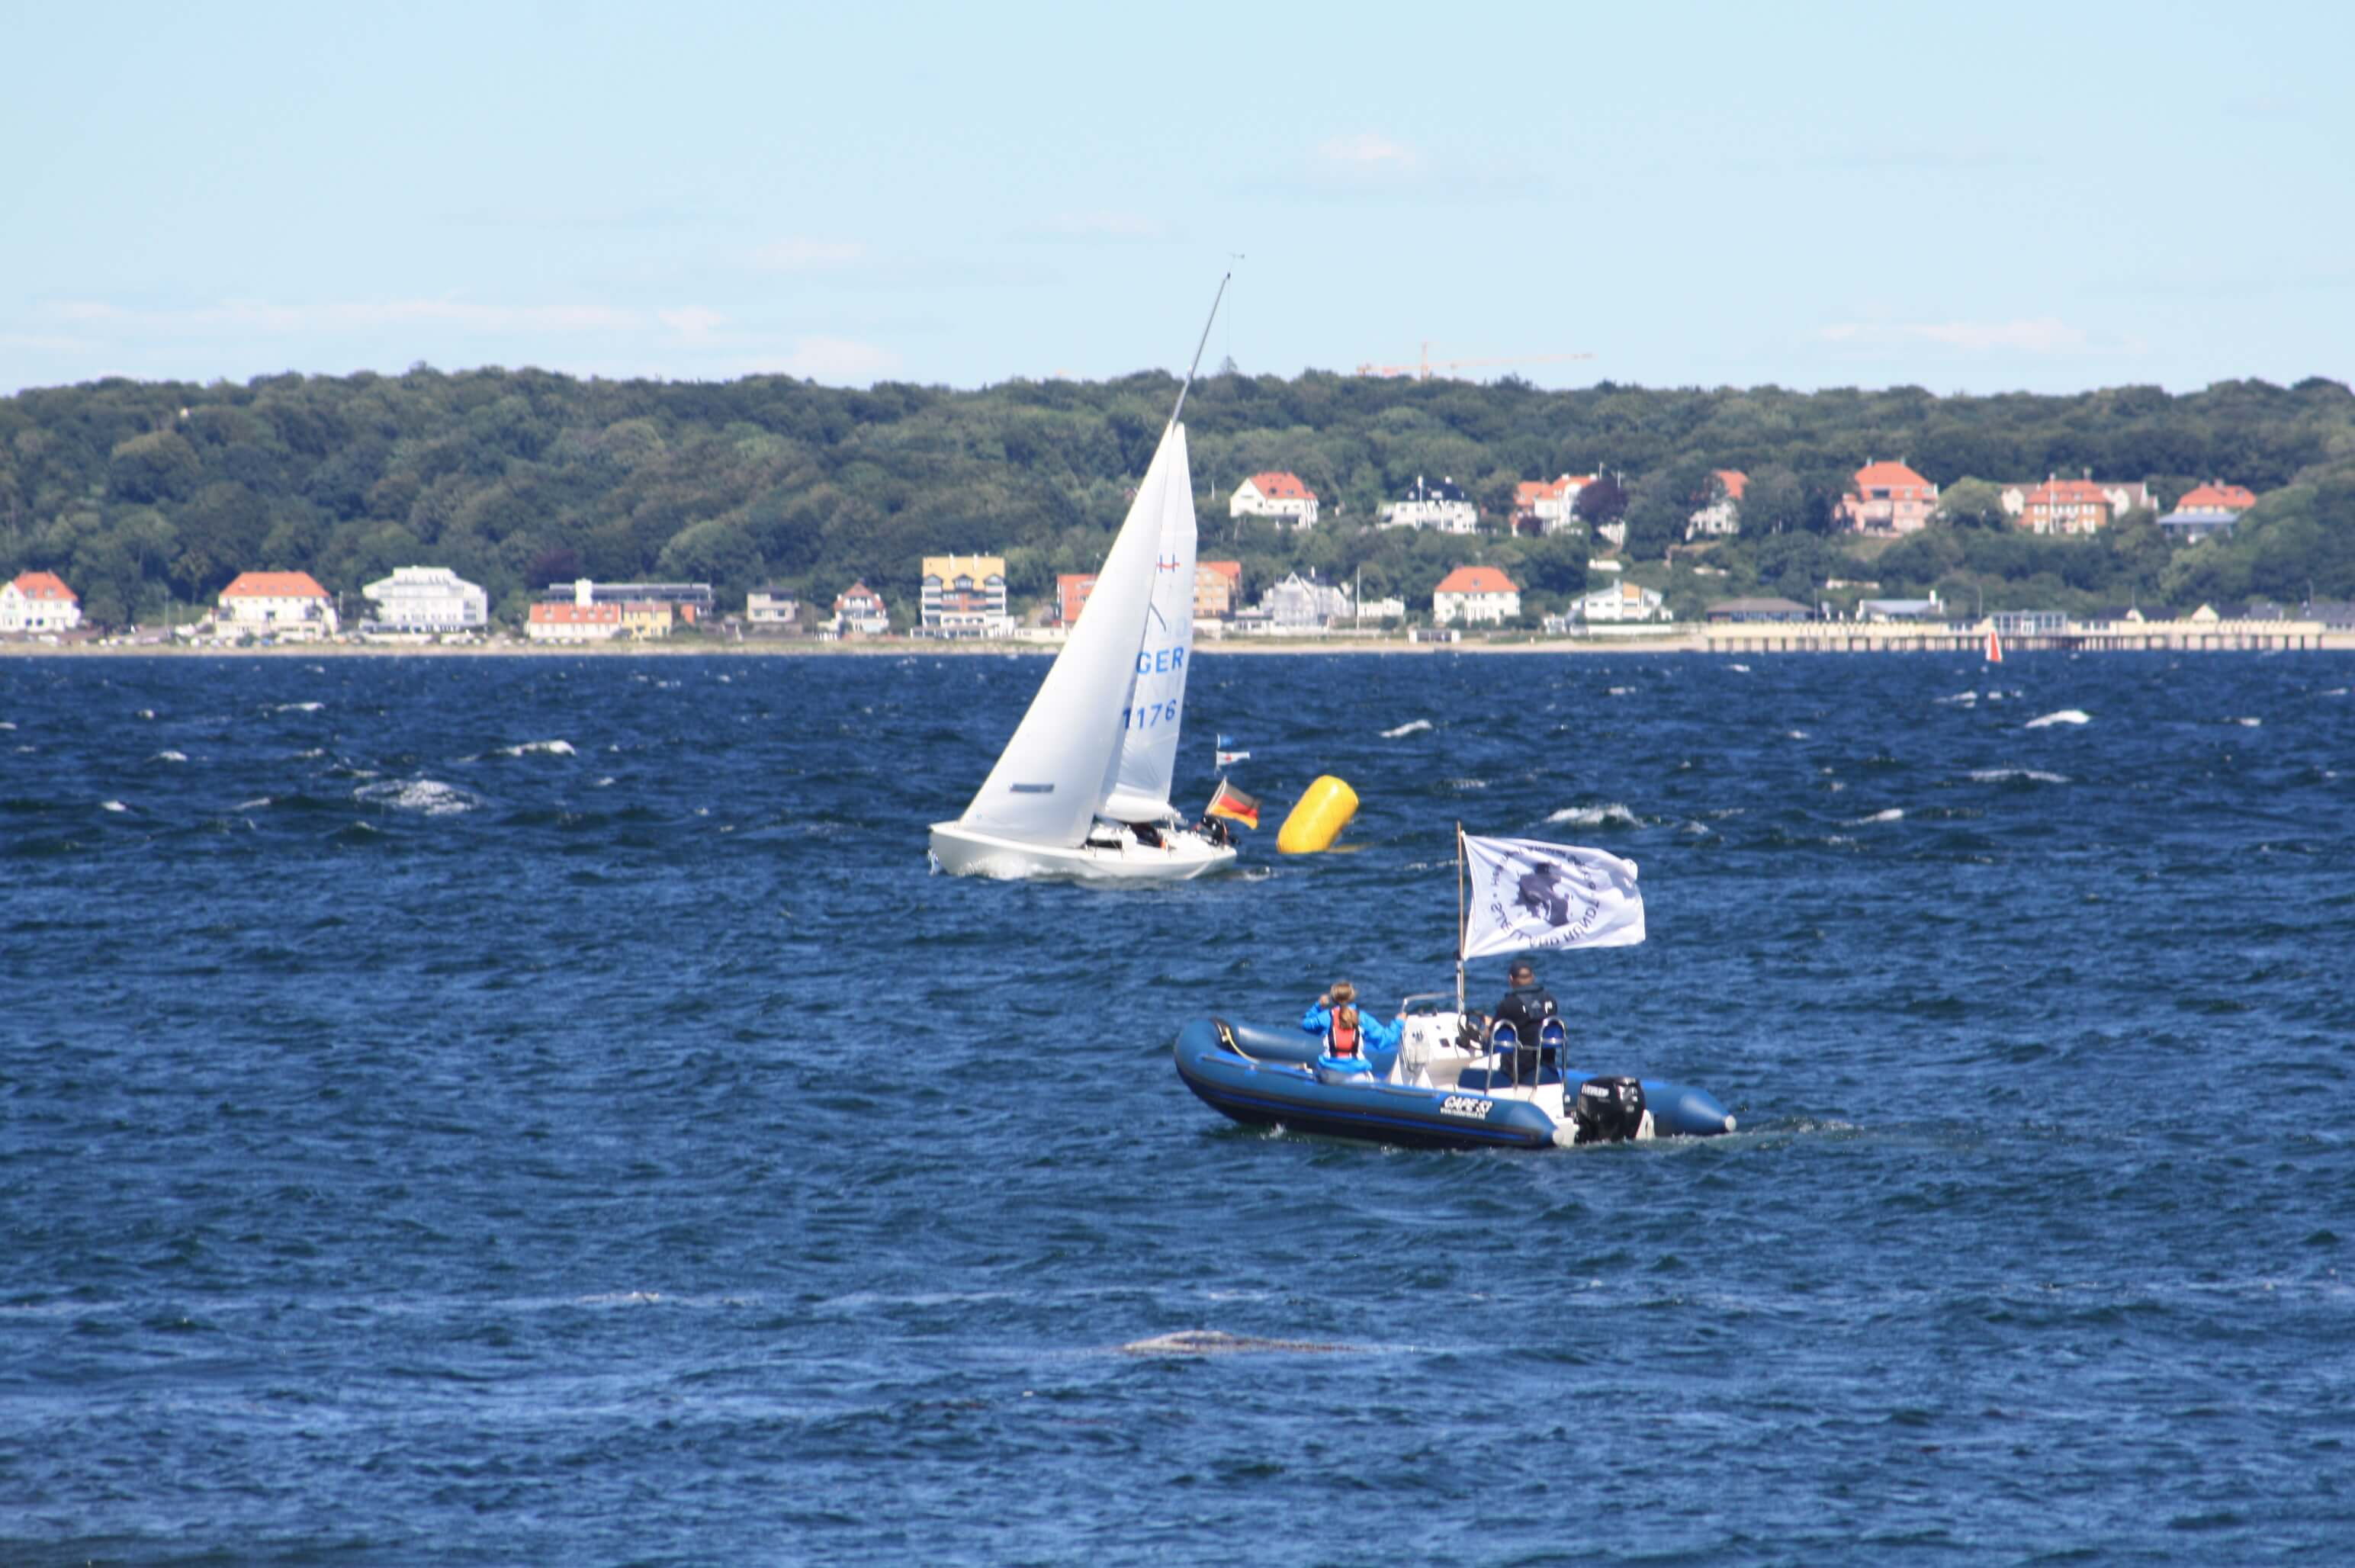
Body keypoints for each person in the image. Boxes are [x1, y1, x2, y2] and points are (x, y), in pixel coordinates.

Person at [1490, 960, 1561, 1080]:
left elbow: (1494, 1032)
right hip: (1547, 1063)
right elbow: (1532, 1021)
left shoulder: (1508, 1004)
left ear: (1511, 979)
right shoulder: (1551, 1000)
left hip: (1518, 1069)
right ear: (1533, 977)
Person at [1300, 980, 1402, 1059]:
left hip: (1329, 1070)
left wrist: (1318, 1006)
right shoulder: (1362, 1018)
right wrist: (1399, 1022)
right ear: (1352, 996)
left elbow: (1306, 1024)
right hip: (1354, 1072)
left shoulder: (1325, 1017)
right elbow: (1384, 1040)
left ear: (1333, 998)